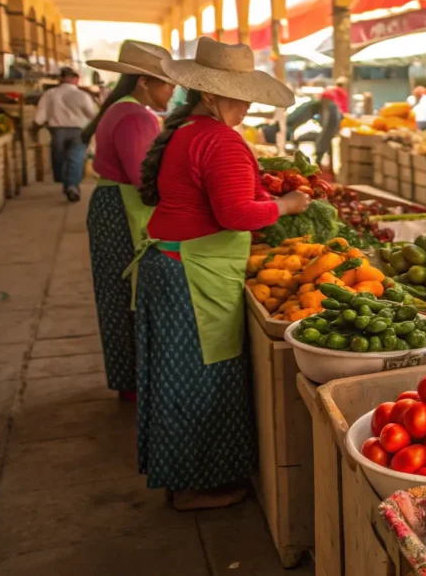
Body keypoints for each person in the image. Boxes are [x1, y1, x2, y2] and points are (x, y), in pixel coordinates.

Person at [132, 37, 309, 510]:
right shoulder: (219, 140)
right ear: (210, 94)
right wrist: (285, 205)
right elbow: (235, 213)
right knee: (199, 380)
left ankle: (182, 477)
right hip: (191, 274)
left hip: (173, 265)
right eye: (239, 92)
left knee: (177, 377)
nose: (248, 103)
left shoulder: (187, 130)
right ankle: (195, 487)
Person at [82, 41, 177, 402]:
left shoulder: (120, 109)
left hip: (111, 205)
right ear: (142, 82)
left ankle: (127, 379)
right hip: (119, 210)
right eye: (166, 83)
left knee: (116, 293)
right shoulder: (137, 116)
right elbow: (145, 179)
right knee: (126, 295)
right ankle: (132, 384)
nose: (172, 91)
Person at [35, 67, 98, 202]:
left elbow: (39, 117)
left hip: (57, 131)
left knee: (60, 159)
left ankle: (67, 183)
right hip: (78, 132)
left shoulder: (49, 94)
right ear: (76, 79)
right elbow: (92, 115)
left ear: (61, 78)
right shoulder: (82, 95)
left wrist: (38, 125)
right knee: (75, 159)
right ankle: (72, 186)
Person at [316, 76, 349, 168]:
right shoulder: (341, 92)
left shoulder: (330, 90)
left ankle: (324, 159)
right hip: (332, 110)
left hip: (326, 108)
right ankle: (320, 159)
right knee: (329, 133)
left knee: (327, 133)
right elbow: (343, 109)